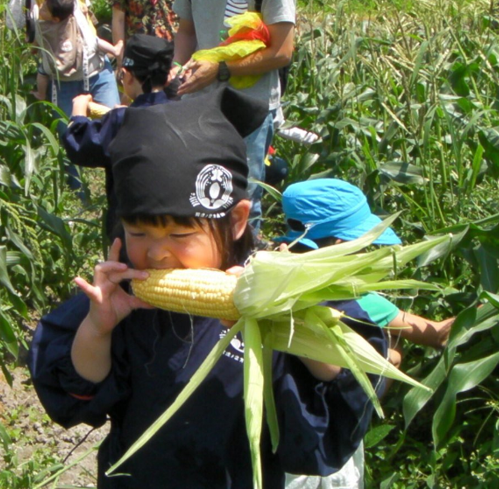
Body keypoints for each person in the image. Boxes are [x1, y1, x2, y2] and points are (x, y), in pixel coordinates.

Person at [28, 88, 387, 488]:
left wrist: (289, 322)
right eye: (138, 231)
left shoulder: (275, 289)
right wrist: (97, 328)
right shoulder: (126, 296)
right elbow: (81, 393)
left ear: (236, 221)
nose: (157, 254)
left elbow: (342, 387)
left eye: (180, 233)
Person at [275, 178, 454, 489]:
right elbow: (437, 335)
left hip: (273, 446)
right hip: (326, 454)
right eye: (363, 242)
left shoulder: (265, 276)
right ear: (343, 244)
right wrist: (490, 307)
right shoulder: (359, 300)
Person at [171, 0, 296, 232]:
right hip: (198, 101)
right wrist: (177, 65)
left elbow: (282, 52)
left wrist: (221, 69)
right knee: (195, 194)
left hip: (249, 109)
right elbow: (187, 32)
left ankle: (242, 264)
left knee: (243, 198)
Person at [62, 33, 175, 241]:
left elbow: (79, 146)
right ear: (168, 76)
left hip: (132, 234)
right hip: (177, 228)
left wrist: (79, 112)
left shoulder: (121, 121)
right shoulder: (181, 112)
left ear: (127, 75)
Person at [33, 0, 123, 102]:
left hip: (93, 71)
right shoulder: (55, 10)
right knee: (96, 41)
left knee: (42, 72)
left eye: (44, 8)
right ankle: (114, 50)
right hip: (68, 79)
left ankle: (41, 94)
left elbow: (36, 40)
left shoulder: (42, 22)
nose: (41, 8)